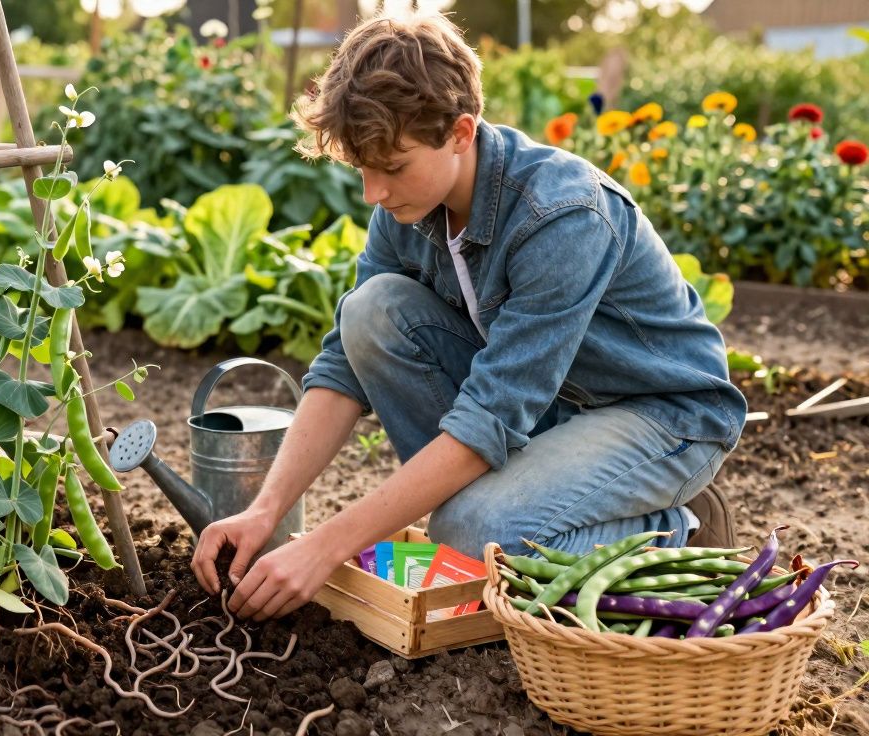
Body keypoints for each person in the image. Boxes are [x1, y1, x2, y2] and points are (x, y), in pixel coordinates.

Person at [190, 13, 748, 621]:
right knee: (370, 313)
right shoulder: (407, 209)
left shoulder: (561, 217)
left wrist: (327, 546)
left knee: (468, 533)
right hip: (551, 409)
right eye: (362, 169)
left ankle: (680, 526)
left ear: (460, 132)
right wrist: (264, 509)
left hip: (661, 416)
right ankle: (525, 503)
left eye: (393, 167)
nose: (373, 193)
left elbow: (490, 418)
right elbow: (341, 368)